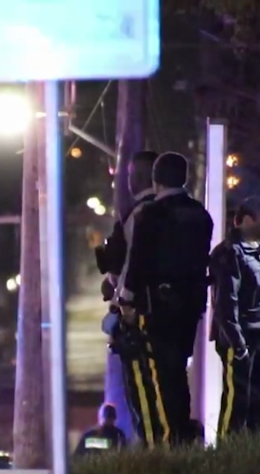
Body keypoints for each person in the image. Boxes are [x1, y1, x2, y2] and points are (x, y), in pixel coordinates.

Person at [113, 152, 214, 448]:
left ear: (155, 180)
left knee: (160, 376)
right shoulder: (200, 215)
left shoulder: (150, 215)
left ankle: (169, 440)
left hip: (156, 306)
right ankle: (182, 434)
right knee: (178, 368)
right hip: (190, 305)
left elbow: (138, 264)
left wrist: (127, 301)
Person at [94, 150, 159, 444]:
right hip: (176, 314)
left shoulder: (138, 216)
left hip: (140, 315)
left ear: (145, 175)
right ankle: (169, 447)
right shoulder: (186, 212)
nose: (129, 181)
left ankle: (152, 448)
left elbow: (125, 267)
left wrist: (121, 299)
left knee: (142, 387)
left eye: (132, 174)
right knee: (168, 386)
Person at [209, 197, 260, 437]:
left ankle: (256, 448)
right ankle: (228, 450)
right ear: (244, 220)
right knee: (237, 400)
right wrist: (238, 344)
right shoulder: (230, 253)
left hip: (259, 336)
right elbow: (226, 302)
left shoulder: (258, 252)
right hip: (240, 339)